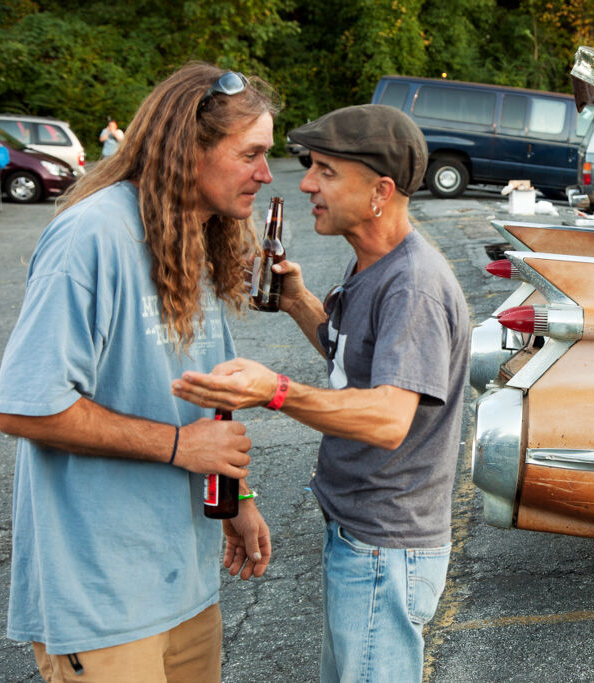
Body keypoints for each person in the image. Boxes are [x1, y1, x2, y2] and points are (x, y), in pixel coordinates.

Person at [0, 63, 277, 681]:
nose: (266, 173)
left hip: (184, 585)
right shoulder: (90, 236)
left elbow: (208, 400)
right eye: (250, 153)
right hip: (101, 598)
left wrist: (237, 499)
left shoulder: (192, 236)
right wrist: (179, 447)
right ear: (186, 148)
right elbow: (24, 406)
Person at [171, 104, 470, 683]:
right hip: (362, 537)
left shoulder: (414, 286)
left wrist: (275, 390)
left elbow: (388, 417)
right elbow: (352, 360)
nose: (305, 182)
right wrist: (299, 303)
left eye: (327, 171)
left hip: (386, 549)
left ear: (380, 190)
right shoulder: (374, 266)